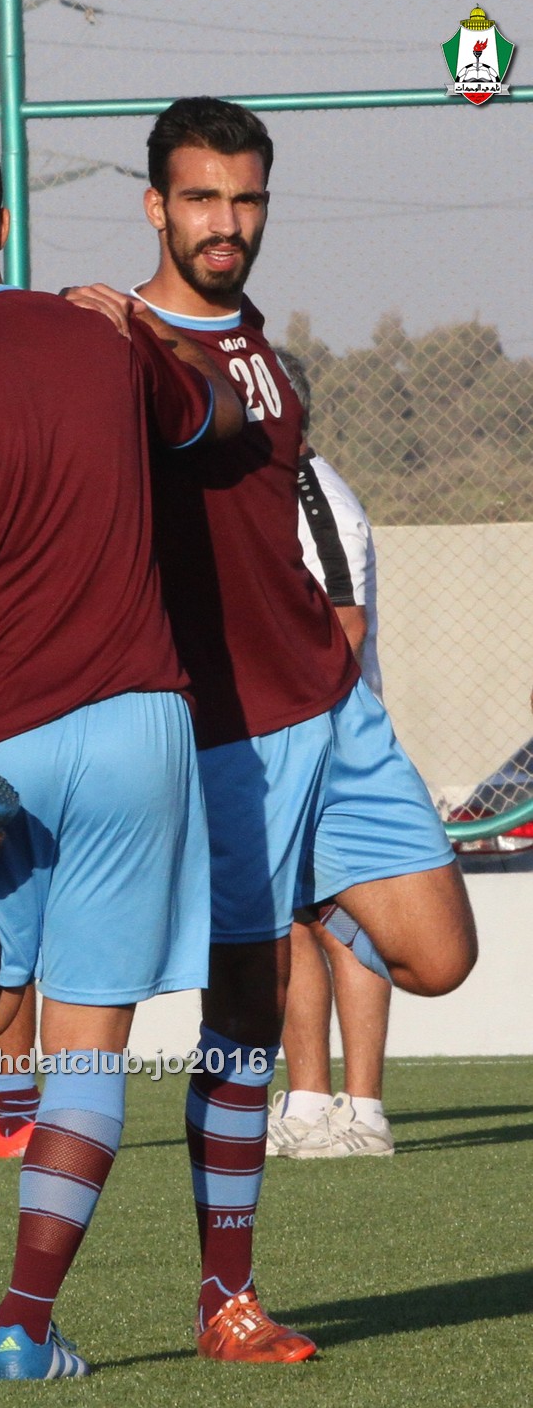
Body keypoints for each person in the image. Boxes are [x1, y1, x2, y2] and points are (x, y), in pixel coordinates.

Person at [65, 96, 477, 1365]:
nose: (225, 222)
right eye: (200, 198)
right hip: (228, 733)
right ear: (155, 206)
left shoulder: (260, 350)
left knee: (438, 956)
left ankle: (298, 888)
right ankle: (225, 1299)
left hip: (333, 705)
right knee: (242, 1010)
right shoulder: (114, 350)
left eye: (244, 199)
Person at [0, 128, 243, 1382]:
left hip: (6, 739)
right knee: (90, 1052)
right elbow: (218, 412)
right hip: (143, 729)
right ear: (3, 227)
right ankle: (23, 1327)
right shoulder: (99, 335)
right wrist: (152, 336)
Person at [266, 348, 394, 1159]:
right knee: (288, 921)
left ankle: (365, 1110)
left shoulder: (316, 496)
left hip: (333, 740)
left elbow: (344, 625)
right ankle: (309, 1102)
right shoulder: (254, 494)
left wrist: (291, 727)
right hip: (279, 742)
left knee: (350, 922)